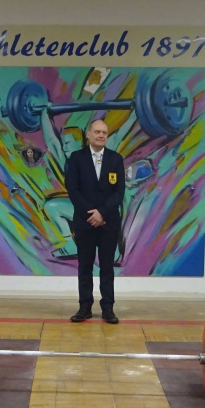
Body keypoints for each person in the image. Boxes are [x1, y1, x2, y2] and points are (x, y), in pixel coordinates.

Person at [65, 118, 125, 324]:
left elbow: (119, 192)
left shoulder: (116, 159)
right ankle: (85, 307)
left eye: (104, 133)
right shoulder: (76, 158)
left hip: (109, 223)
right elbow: (73, 189)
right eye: (97, 132)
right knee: (85, 266)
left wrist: (102, 213)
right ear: (88, 134)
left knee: (107, 267)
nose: (101, 135)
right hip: (85, 223)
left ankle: (108, 308)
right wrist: (91, 214)